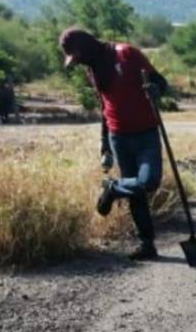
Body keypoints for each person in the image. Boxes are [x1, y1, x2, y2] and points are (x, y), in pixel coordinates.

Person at [59, 28, 169, 260]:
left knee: (148, 182)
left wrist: (156, 89)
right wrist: (104, 143)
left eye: (78, 57)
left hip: (146, 132)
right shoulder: (93, 70)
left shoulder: (126, 54)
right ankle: (146, 244)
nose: (78, 64)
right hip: (118, 136)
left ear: (87, 46)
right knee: (136, 193)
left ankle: (113, 188)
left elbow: (161, 82)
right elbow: (104, 107)